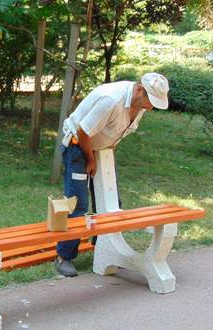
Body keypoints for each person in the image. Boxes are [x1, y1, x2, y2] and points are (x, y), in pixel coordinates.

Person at [54, 73, 169, 277]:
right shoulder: (111, 99)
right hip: (77, 147)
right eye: (150, 102)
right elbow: (83, 132)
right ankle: (64, 256)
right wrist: (90, 160)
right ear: (140, 90)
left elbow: (119, 132)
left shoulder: (139, 104)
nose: (150, 107)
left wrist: (106, 152)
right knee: (76, 203)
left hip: (101, 148)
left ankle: (104, 249)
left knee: (111, 201)